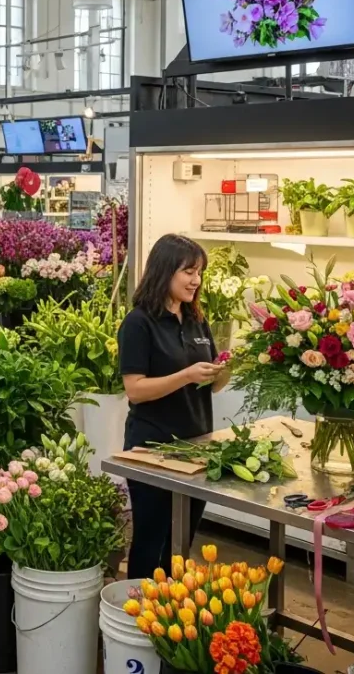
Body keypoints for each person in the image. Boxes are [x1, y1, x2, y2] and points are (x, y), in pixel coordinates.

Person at [117, 234, 224, 579]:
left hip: (196, 449)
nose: (196, 280)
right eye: (189, 272)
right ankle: (136, 616)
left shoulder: (196, 320)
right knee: (151, 541)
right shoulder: (139, 322)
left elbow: (210, 385)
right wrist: (186, 374)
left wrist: (224, 371)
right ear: (164, 271)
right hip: (152, 448)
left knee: (180, 544)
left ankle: (170, 620)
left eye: (200, 273)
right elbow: (135, 390)